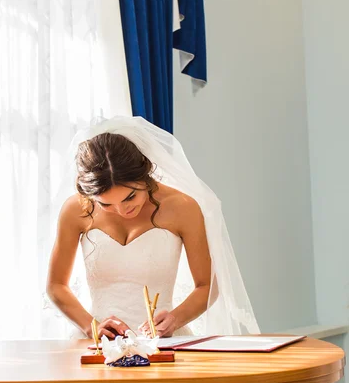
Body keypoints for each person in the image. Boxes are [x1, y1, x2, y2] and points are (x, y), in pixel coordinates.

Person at [46, 116, 259, 339]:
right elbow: (56, 285)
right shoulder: (76, 209)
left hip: (163, 342)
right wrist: (91, 326)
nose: (122, 210)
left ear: (145, 173)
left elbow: (207, 285)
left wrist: (175, 318)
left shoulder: (183, 208)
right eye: (106, 204)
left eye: (130, 197)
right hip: (98, 344)